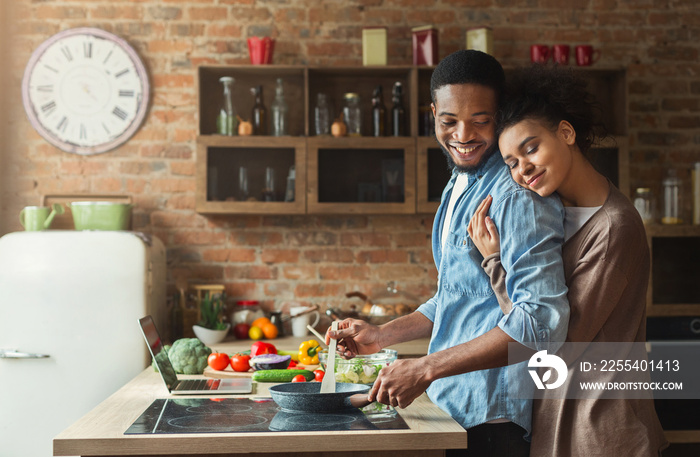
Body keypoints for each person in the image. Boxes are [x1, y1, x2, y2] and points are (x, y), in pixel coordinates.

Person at [326, 50, 570, 456]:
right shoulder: (458, 184)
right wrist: (383, 333)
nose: (463, 135)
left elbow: (542, 322)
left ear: (500, 116)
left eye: (481, 121)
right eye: (449, 121)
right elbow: (456, 295)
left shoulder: (516, 196)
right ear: (433, 113)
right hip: (454, 407)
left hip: (495, 416)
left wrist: (424, 366)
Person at [467, 64, 668, 456]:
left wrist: (494, 264)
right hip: (563, 422)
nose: (523, 169)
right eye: (511, 162)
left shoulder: (614, 228)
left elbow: (551, 341)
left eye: (530, 148)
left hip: (604, 434)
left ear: (566, 133)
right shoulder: (554, 213)